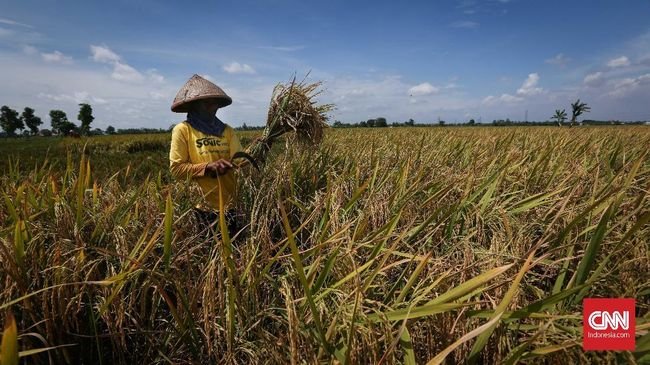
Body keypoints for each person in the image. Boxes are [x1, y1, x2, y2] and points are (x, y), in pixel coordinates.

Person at [169, 74, 245, 236]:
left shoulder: (227, 130)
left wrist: (262, 147)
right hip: (202, 207)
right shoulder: (183, 130)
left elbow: (239, 160)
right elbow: (177, 169)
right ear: (194, 105)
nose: (212, 106)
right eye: (206, 102)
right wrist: (209, 167)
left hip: (230, 204)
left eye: (215, 102)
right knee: (208, 251)